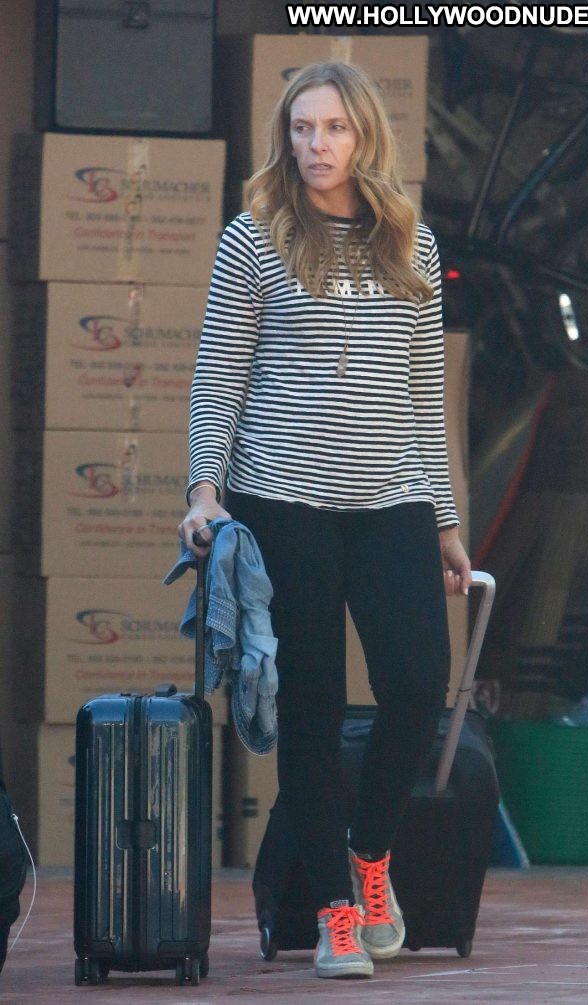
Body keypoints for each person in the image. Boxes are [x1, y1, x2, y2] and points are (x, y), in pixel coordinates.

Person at [179, 60, 472, 980]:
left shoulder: (410, 243)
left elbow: (424, 397)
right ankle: (334, 913)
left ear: (364, 136)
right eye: (302, 129)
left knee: (418, 682)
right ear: (286, 137)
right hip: (283, 501)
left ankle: (370, 853)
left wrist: (445, 521)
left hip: (391, 500)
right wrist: (204, 490)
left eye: (335, 128)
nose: (317, 145)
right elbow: (219, 375)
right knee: (308, 704)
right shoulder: (254, 237)